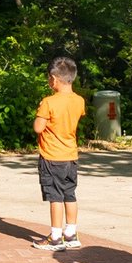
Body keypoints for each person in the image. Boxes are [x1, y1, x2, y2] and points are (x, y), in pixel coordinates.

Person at [31, 57, 85, 252]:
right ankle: (71, 233)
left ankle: (55, 237)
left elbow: (38, 127)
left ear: (54, 79)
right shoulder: (79, 101)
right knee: (70, 194)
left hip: (51, 156)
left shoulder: (48, 102)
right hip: (70, 155)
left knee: (55, 197)